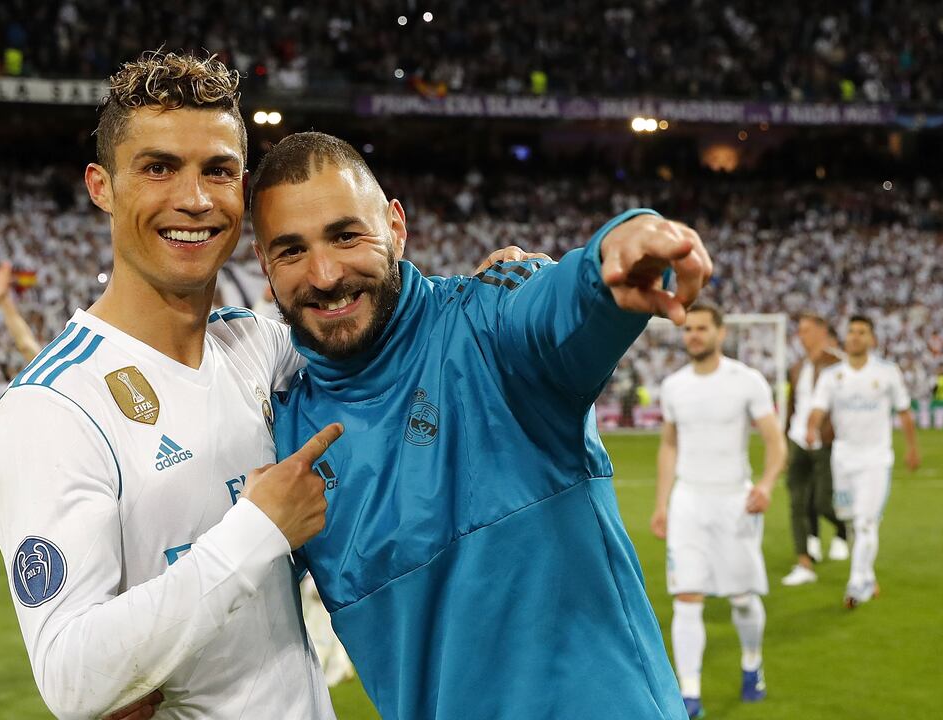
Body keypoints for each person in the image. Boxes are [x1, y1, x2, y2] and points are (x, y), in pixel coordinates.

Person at [250, 132, 712, 719]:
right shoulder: (284, 431)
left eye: (346, 235)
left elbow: (556, 310)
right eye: (291, 251)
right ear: (265, 267)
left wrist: (608, 264)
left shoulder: (488, 324)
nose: (323, 273)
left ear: (396, 226)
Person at [0, 50, 340, 720]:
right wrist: (259, 527)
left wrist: (498, 288)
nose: (195, 200)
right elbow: (72, 677)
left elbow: (392, 359)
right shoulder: (53, 409)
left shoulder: (261, 347)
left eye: (218, 171)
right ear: (102, 186)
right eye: (158, 168)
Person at [650, 303, 787, 718]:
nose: (693, 335)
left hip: (735, 501)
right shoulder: (674, 386)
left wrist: (764, 485)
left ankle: (752, 665)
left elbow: (775, 441)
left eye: (701, 328)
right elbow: (670, 444)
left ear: (720, 333)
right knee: (687, 597)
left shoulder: (747, 381)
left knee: (742, 598)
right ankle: (689, 696)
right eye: (688, 329)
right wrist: (662, 502)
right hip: (689, 499)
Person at [806, 315, 921, 609]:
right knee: (852, 521)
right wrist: (811, 427)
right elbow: (818, 408)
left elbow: (904, 412)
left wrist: (912, 448)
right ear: (845, 338)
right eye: (852, 332)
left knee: (866, 521)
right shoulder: (833, 375)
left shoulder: (887, 372)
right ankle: (868, 575)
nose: (856, 337)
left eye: (862, 332)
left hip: (876, 458)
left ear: (872, 339)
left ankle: (857, 583)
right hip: (843, 458)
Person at [781, 313, 849, 586]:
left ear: (823, 331)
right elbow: (792, 405)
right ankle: (804, 562)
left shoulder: (838, 365)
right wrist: (785, 439)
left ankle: (845, 528)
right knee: (797, 502)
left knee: (822, 501)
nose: (802, 335)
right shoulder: (797, 367)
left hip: (827, 442)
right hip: (798, 440)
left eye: (807, 330)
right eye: (800, 331)